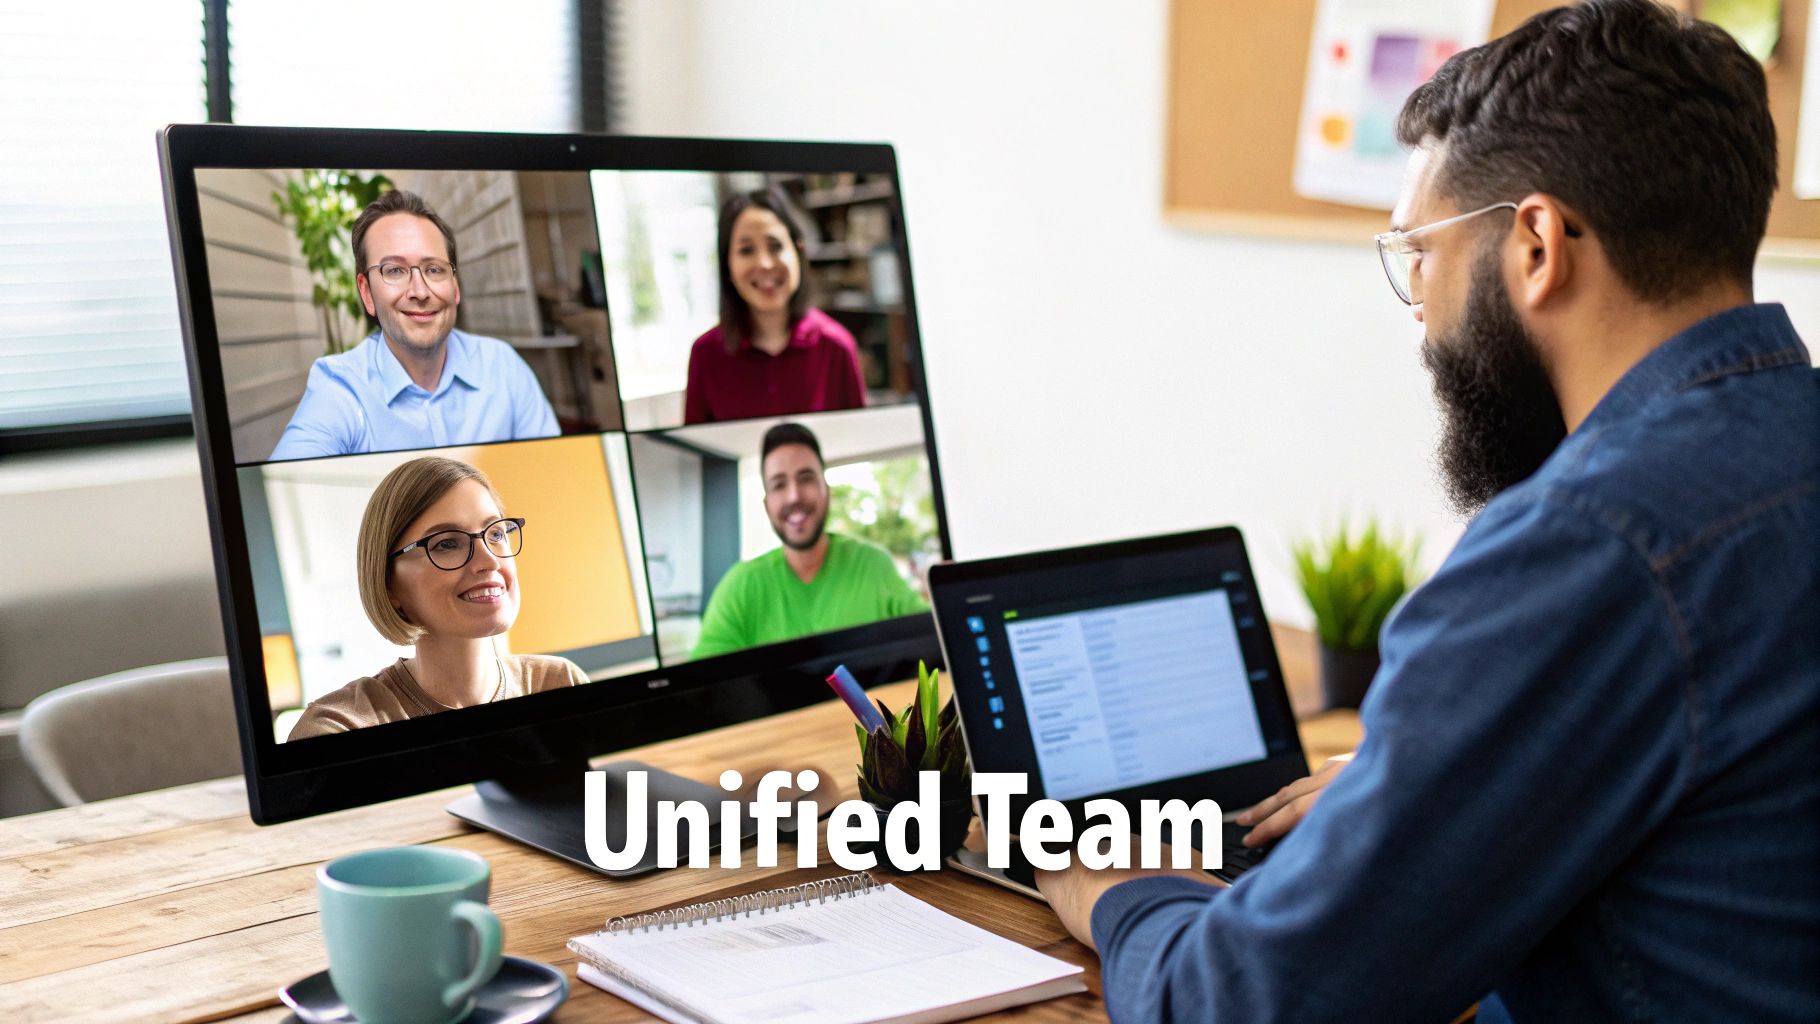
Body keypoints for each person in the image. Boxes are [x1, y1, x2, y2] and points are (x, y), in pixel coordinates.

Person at [1036, 2, 1820, 1021]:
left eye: (1419, 254)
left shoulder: (1584, 547)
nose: (1418, 319)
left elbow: (1233, 1004)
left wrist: (1112, 889)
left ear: (1535, 244)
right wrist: (1423, 797)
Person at [289, 457, 586, 739]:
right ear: (388, 584)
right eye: (446, 543)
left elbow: (597, 794)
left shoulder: (559, 682)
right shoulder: (337, 727)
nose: (490, 560)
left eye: (495, 534)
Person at [268, 190, 559, 461]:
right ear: (367, 293)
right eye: (394, 270)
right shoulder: (341, 389)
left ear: (455, 287)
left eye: (434, 269)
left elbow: (555, 471)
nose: (419, 291)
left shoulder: (503, 366)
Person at [692, 422, 926, 659]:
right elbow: (701, 684)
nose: (794, 496)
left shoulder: (873, 565)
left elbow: (932, 635)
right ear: (766, 505)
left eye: (806, 478)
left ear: (827, 491)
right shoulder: (740, 588)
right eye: (779, 485)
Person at [681, 188, 869, 424]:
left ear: (799, 251)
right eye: (746, 250)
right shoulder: (705, 355)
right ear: (727, 265)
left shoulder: (836, 345)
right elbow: (699, 458)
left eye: (776, 246)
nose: (764, 263)